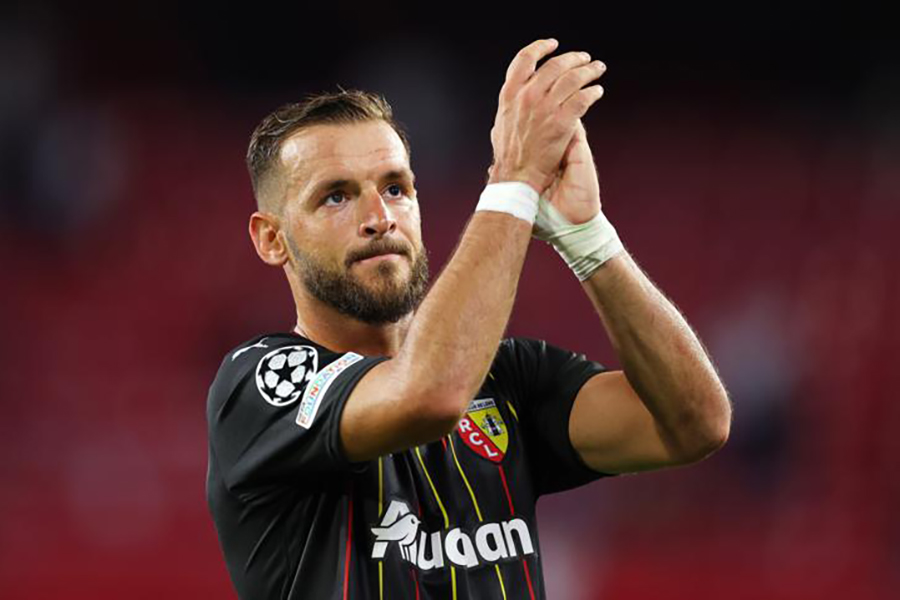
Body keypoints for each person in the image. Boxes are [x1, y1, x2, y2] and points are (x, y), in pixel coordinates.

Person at [206, 38, 732, 600]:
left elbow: (696, 423)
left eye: (396, 188)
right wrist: (513, 184)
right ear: (272, 238)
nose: (380, 217)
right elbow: (429, 395)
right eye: (336, 197)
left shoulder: (509, 378)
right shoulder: (263, 385)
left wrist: (587, 237)